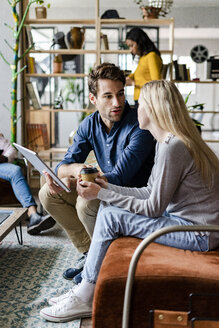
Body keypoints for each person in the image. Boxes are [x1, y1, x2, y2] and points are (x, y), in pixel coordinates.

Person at [40, 80, 219, 322]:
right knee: (108, 209)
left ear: (154, 109)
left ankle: (85, 293)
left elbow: (154, 208)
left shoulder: (173, 147)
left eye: (140, 103)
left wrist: (102, 194)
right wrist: (106, 187)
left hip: (197, 233)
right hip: (191, 226)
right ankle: (86, 288)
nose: (136, 109)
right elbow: (149, 192)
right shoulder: (169, 142)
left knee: (111, 214)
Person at [39, 62, 155, 283]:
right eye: (108, 96)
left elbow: (120, 176)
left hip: (134, 195)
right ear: (93, 99)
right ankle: (90, 254)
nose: (117, 102)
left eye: (120, 94)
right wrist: (74, 171)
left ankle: (100, 264)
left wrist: (82, 182)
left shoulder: (139, 124)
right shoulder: (89, 124)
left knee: (86, 202)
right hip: (105, 187)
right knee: (47, 193)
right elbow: (62, 165)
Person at [0, 133, 56, 235]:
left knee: (16, 170)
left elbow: (11, 150)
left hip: (2, 165)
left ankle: (33, 215)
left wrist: (4, 158)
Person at [125, 27, 163, 108]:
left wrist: (134, 83)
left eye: (132, 45)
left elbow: (156, 83)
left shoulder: (151, 56)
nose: (130, 50)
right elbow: (136, 74)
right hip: (140, 99)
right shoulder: (143, 58)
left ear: (140, 42)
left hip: (147, 100)